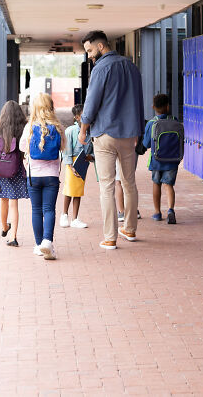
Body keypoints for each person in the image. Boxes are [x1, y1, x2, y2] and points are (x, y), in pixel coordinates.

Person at [78, 30, 144, 250]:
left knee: (106, 186)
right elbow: (139, 100)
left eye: (89, 50)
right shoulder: (132, 67)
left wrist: (83, 128)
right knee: (129, 183)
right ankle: (131, 229)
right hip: (128, 134)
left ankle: (110, 237)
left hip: (105, 133)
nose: (88, 56)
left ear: (100, 46)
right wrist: (139, 130)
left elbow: (92, 101)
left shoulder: (101, 68)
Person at [19, 93, 64, 259]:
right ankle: (47, 242)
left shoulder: (30, 126)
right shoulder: (57, 126)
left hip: (34, 175)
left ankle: (38, 245)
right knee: (49, 209)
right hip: (52, 175)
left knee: (36, 210)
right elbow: (61, 146)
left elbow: (22, 147)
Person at [0, 100, 29, 247]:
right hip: (15, 169)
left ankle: (5, 227)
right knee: (13, 203)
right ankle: (13, 237)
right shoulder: (23, 128)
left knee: (3, 200)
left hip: (1, 169)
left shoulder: (1, 128)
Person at [141, 93, 179, 224]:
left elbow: (145, 144)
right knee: (169, 185)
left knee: (156, 184)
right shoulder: (174, 120)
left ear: (153, 107)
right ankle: (170, 210)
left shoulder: (151, 123)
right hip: (173, 160)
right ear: (167, 107)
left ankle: (157, 212)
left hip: (156, 160)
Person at [60, 104, 89, 229]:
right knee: (69, 189)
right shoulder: (70, 131)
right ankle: (64, 214)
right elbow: (66, 150)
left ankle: (75, 218)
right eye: (83, 115)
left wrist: (90, 157)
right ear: (77, 117)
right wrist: (71, 166)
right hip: (72, 162)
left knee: (78, 191)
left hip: (82, 162)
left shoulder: (89, 130)